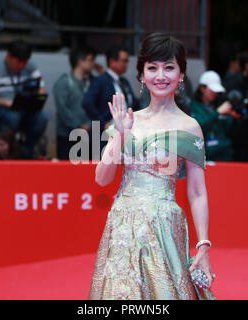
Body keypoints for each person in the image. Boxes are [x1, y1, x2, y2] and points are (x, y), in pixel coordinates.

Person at [88, 33, 216, 300]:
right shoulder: (127, 119)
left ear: (181, 75)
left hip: (164, 228)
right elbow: (102, 178)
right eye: (152, 67)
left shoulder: (189, 127)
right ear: (141, 74)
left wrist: (203, 245)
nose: (161, 75)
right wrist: (120, 134)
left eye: (169, 67)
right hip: (123, 226)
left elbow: (196, 191)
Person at [0, 39, 48, 156]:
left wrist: (37, 99)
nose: (21, 66)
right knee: (13, 117)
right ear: (8, 56)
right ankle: (10, 151)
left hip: (24, 106)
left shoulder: (31, 67)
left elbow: (41, 87)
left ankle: (26, 150)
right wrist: (5, 102)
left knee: (42, 118)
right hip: (1, 109)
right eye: (18, 62)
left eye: (24, 63)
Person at [83, 45, 140, 159]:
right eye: (124, 61)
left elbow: (133, 104)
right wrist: (103, 123)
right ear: (112, 61)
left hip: (127, 132)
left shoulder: (123, 81)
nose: (127, 64)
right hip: (107, 133)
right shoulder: (100, 81)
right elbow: (87, 103)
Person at [53, 46, 95, 160]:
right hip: (68, 135)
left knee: (89, 172)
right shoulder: (64, 82)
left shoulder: (92, 82)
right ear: (81, 61)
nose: (93, 64)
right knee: (67, 173)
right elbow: (63, 110)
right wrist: (79, 125)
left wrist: (90, 125)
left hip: (90, 134)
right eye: (91, 60)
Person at [190, 71, 238, 162]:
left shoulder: (220, 105)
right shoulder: (193, 107)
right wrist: (217, 113)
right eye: (212, 90)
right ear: (202, 88)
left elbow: (229, 129)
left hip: (224, 154)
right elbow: (198, 127)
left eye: (217, 91)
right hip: (205, 155)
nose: (215, 93)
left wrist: (234, 116)